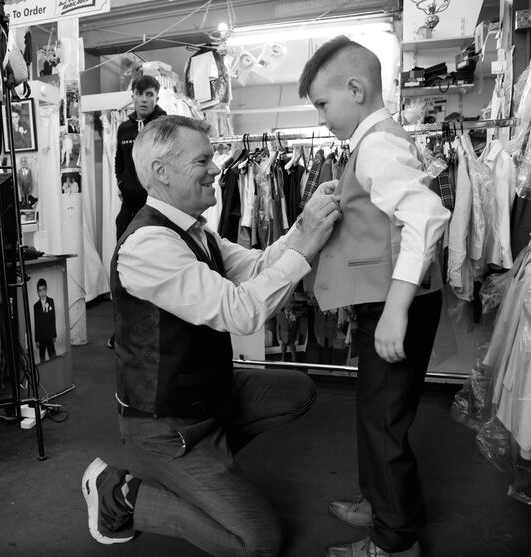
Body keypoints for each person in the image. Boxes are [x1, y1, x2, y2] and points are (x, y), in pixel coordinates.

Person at [81, 115, 341, 556]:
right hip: (166, 423)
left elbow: (259, 265)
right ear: (162, 173)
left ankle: (203, 471)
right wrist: (308, 246)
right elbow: (240, 312)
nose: (218, 168)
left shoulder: (195, 230)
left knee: (297, 390)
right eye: (203, 159)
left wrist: (304, 225)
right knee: (258, 543)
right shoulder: (147, 245)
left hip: (208, 398)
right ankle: (121, 493)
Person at [297, 36, 450, 557]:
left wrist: (396, 311)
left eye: (322, 104)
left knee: (384, 423)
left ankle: (394, 541)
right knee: (376, 414)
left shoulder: (377, 144)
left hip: (393, 304)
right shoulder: (375, 142)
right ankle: (383, 503)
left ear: (356, 90)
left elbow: (426, 217)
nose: (321, 118)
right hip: (385, 301)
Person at [108, 74, 167, 349]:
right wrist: (122, 182)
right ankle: (124, 329)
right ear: (133, 95)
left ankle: (156, 328)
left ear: (156, 98)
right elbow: (119, 160)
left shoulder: (164, 125)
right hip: (129, 207)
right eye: (140, 94)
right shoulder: (124, 128)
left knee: (156, 263)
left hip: (155, 206)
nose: (144, 100)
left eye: (150, 95)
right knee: (124, 263)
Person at [33, 279, 57, 361]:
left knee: (53, 355)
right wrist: (37, 339)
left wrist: (54, 334)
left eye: (43, 290)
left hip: (50, 334)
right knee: (42, 357)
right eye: (40, 290)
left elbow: (53, 318)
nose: (42, 293)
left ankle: (54, 368)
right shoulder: (36, 306)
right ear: (37, 292)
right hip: (41, 336)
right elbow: (36, 323)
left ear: (46, 289)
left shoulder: (51, 301)